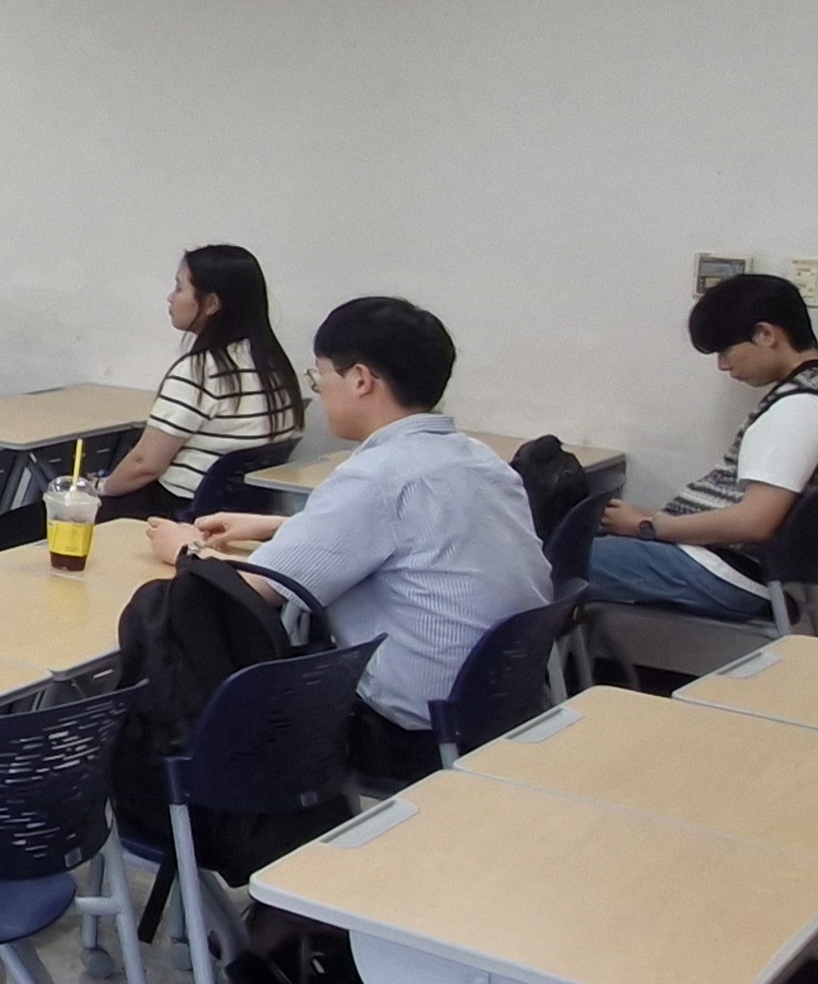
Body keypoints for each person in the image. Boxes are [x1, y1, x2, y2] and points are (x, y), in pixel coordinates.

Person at [151, 294, 547, 735]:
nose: (318, 391)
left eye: (319, 376)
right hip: (501, 704)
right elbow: (414, 539)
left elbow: (254, 589)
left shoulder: (376, 476)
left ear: (360, 379)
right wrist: (279, 526)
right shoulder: (478, 458)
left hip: (408, 722)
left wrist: (187, 549)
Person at [585, 272, 818, 620]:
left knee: (547, 560)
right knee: (574, 535)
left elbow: (754, 523)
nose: (723, 365)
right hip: (724, 560)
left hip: (721, 570)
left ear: (766, 335)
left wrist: (648, 527)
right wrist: (648, 518)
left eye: (725, 351)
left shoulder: (799, 410)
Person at [95, 245, 306, 521]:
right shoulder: (274, 365)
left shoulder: (199, 372)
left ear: (211, 304)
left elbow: (145, 465)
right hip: (244, 514)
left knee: (56, 509)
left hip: (176, 509)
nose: (170, 298)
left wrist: (100, 488)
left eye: (179, 288)